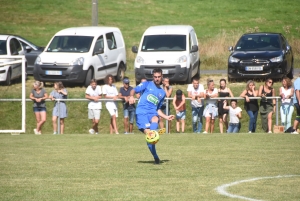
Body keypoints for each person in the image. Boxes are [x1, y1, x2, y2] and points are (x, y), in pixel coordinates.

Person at [129, 68, 175, 165]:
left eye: (159, 77)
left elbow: (157, 109)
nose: (157, 79)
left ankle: (154, 133)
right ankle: (155, 156)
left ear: (162, 77)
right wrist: (131, 96)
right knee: (150, 137)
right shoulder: (147, 84)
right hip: (141, 112)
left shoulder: (162, 93)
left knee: (155, 119)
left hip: (151, 112)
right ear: (153, 77)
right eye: (155, 77)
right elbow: (134, 90)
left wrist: (166, 117)